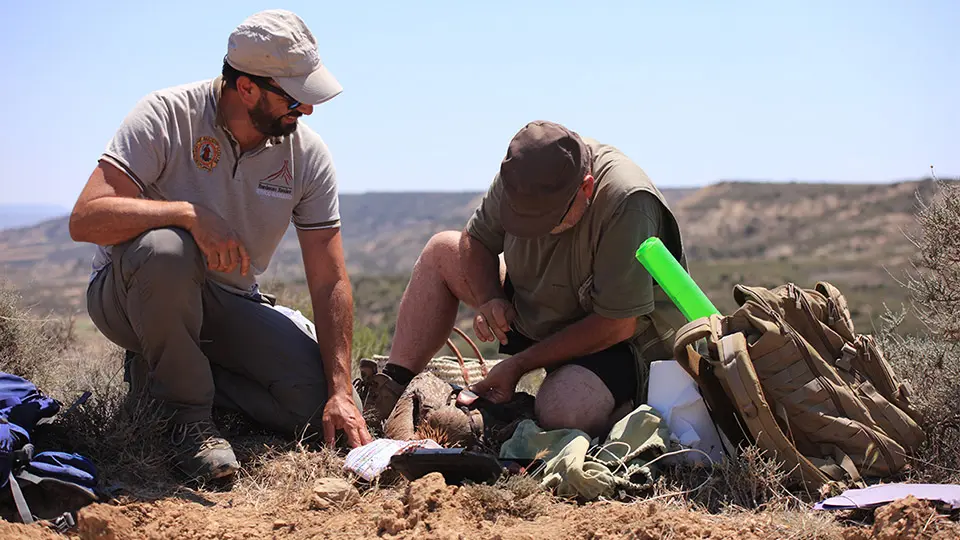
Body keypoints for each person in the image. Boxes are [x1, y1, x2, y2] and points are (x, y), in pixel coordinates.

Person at [68, 9, 372, 483]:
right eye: (294, 98)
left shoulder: (306, 155)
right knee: (168, 248)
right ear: (247, 87)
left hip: (227, 301)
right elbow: (86, 217)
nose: (306, 110)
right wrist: (185, 214)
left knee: (317, 409)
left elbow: (329, 275)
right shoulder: (166, 115)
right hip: (131, 294)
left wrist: (340, 390)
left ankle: (161, 381)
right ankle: (188, 422)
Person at [360, 120, 689, 439]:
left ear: (586, 188)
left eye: (548, 221)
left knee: (566, 410)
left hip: (612, 343)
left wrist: (518, 365)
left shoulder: (626, 201)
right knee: (441, 251)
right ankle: (392, 391)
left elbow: (618, 324)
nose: (537, 233)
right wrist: (491, 297)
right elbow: (474, 241)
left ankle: (535, 416)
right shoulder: (524, 171)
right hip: (537, 308)